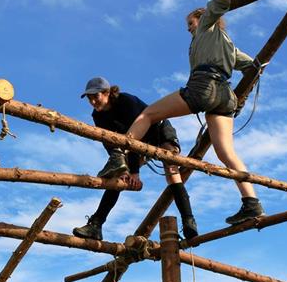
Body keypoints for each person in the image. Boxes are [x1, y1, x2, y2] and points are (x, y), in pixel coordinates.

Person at [125, 0, 265, 225]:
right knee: (227, 153)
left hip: (205, 87)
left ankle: (122, 156)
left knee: (148, 114)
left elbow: (221, 0)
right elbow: (253, 65)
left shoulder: (208, 25)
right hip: (226, 95)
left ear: (201, 19)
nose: (189, 29)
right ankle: (251, 202)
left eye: (190, 23)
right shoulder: (228, 45)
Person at [72, 76, 198, 241]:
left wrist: (135, 173)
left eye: (96, 97)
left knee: (171, 170)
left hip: (158, 132)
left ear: (107, 92)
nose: (93, 102)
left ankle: (189, 221)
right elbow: (111, 144)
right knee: (116, 175)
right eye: (90, 99)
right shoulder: (98, 116)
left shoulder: (126, 101)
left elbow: (134, 140)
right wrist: (122, 168)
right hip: (132, 144)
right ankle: (96, 224)